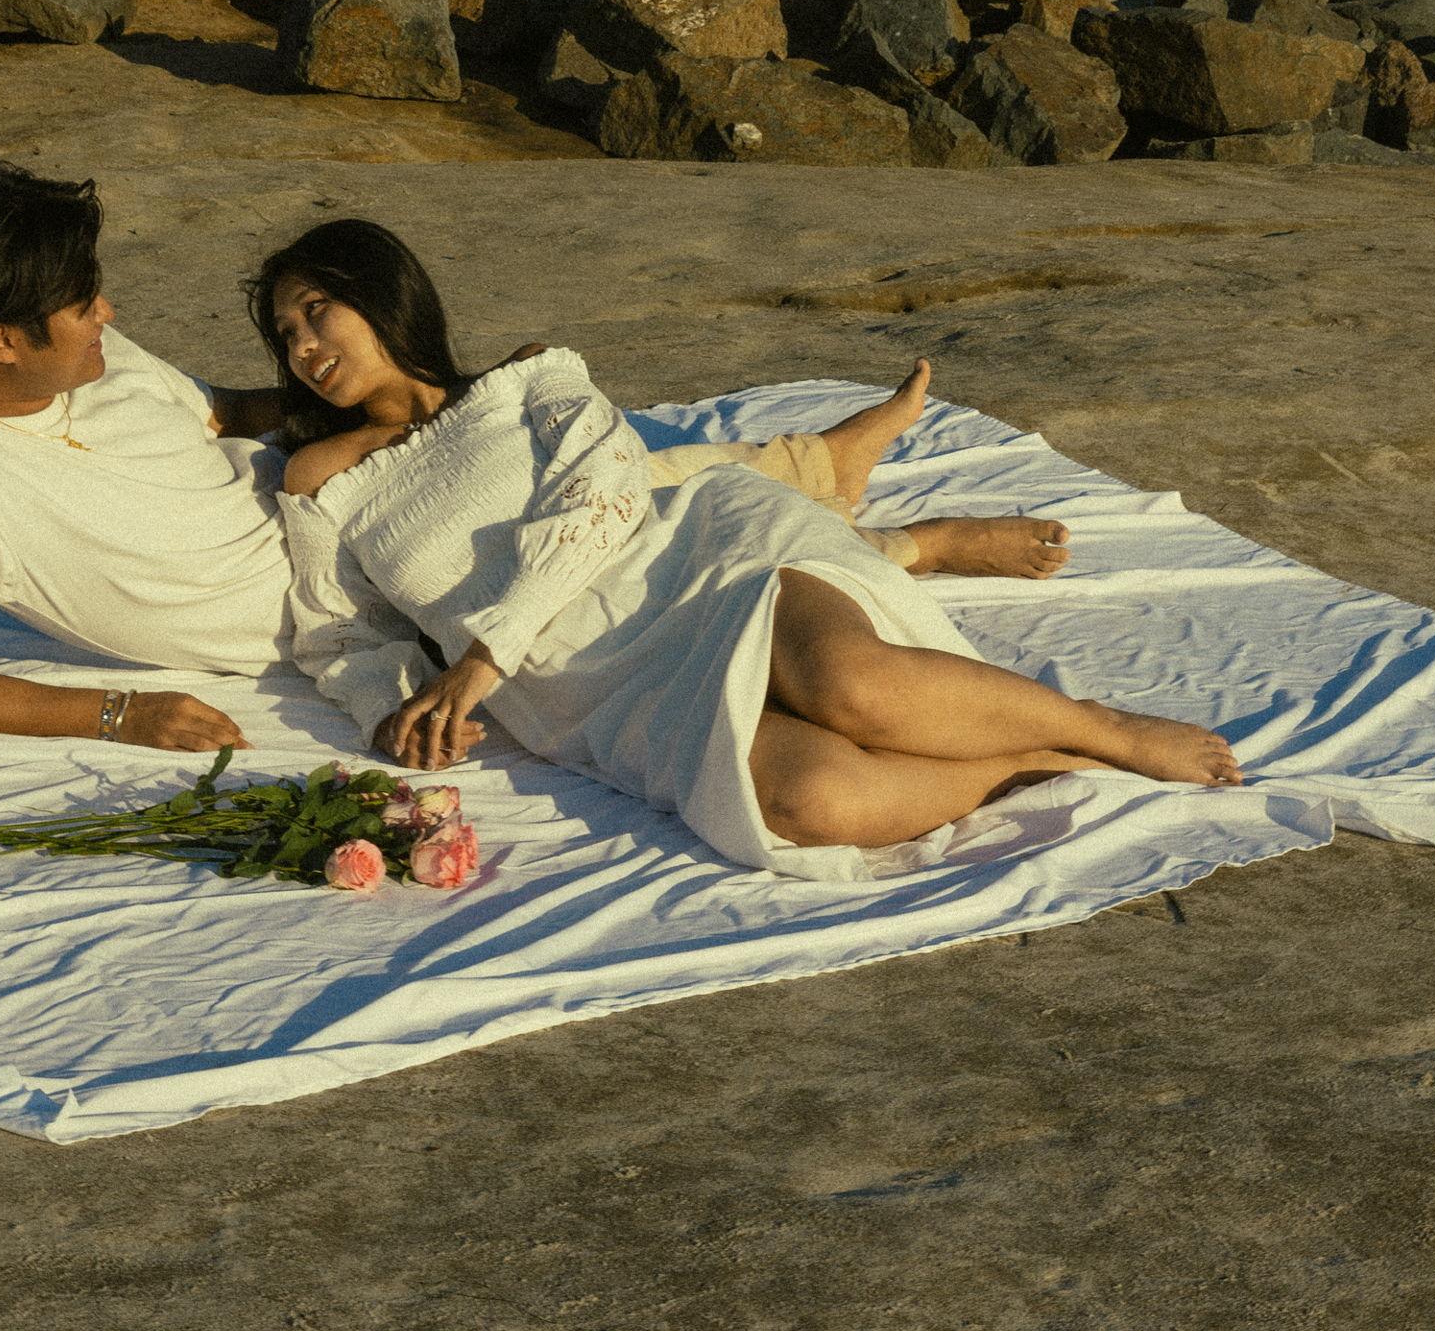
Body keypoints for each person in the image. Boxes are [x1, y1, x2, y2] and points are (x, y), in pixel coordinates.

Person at [0, 158, 1068, 757]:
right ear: (1, 339)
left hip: (332, 489)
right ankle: (873, 513)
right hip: (337, 593)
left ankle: (842, 490)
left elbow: (213, 410)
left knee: (585, 480)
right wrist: (124, 714)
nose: (107, 311)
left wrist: (356, 410)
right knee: (607, 519)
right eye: (80, 306)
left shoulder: (94, 356)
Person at [259, 219, 1242, 878]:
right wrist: (394, 712)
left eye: (317, 310)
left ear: (382, 294)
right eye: (284, 332)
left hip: (700, 564)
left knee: (855, 688)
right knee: (813, 797)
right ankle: (1023, 752)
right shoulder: (320, 480)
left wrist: (482, 654)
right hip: (596, 691)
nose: (303, 342)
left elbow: (605, 493)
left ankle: (1103, 728)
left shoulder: (528, 377)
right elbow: (338, 636)